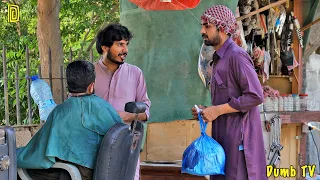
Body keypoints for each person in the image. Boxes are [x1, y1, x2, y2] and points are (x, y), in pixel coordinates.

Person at [191, 5, 267, 180]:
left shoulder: (236, 56)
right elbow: (229, 99)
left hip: (239, 144)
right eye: (202, 26)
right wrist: (207, 110)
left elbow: (255, 96)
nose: (202, 30)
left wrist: (217, 110)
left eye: (207, 26)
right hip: (222, 141)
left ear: (222, 28)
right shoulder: (219, 59)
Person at [17, 60, 123, 180]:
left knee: (18, 170)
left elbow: (39, 154)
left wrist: (16, 156)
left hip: (78, 173)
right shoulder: (106, 107)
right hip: (104, 171)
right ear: (91, 85)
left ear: (68, 85)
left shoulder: (60, 111)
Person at [94, 23, 151, 180]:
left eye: (126, 45)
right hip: (94, 146)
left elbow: (146, 112)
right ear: (105, 47)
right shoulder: (90, 73)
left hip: (126, 146)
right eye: (120, 45)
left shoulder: (135, 73)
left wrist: (128, 117)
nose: (125, 50)